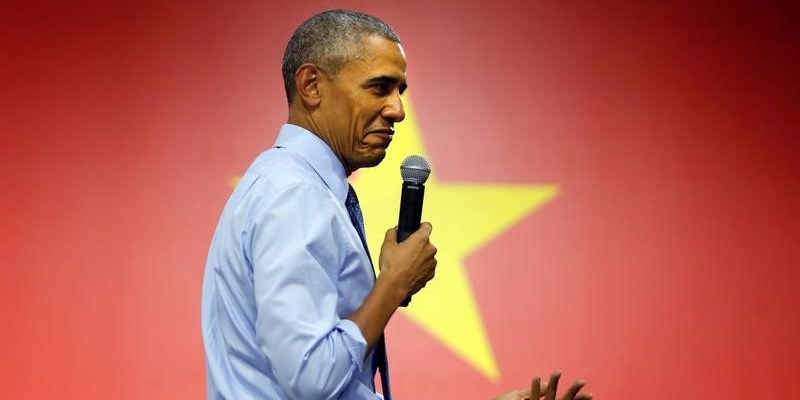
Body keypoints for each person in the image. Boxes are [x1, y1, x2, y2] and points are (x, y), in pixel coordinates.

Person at [201, 9, 591, 400]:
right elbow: (311, 379)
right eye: (379, 88)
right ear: (311, 85)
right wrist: (392, 284)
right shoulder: (294, 195)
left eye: (399, 91)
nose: (397, 110)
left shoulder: (286, 184)